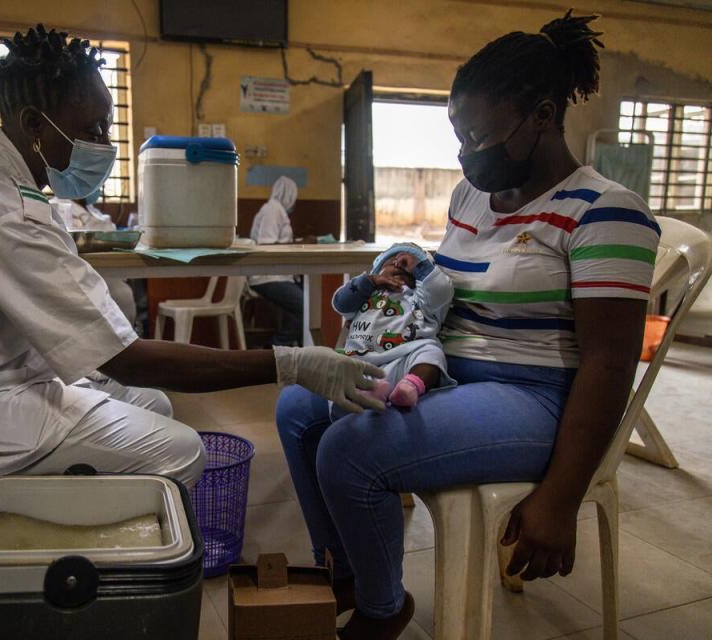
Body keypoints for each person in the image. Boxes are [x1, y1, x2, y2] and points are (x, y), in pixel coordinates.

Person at [0, 25, 384, 492]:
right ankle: (79, 578)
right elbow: (125, 357)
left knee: (151, 402)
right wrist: (291, 363)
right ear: (35, 123)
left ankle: (88, 534)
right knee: (179, 451)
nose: (104, 145)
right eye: (91, 130)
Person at [276, 11, 659, 639]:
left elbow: (610, 365)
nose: (465, 155)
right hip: (447, 366)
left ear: (540, 116)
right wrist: (405, 274)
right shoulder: (470, 197)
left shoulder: (606, 212)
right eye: (458, 137)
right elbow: (449, 284)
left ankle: (381, 607)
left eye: (477, 137)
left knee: (350, 451)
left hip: (534, 397)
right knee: (297, 406)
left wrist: (561, 500)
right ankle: (346, 569)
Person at [332, 242, 454, 412]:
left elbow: (440, 288)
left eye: (407, 266)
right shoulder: (366, 294)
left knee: (432, 353)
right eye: (391, 262)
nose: (399, 264)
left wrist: (419, 266)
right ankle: (368, 392)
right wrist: (369, 281)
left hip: (404, 358)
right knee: (334, 366)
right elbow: (340, 303)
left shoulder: (422, 299)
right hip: (359, 359)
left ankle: (410, 386)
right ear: (377, 271)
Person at [249, 176, 304, 346]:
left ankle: (299, 349)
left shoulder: (277, 209)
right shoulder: (272, 210)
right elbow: (267, 244)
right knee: (305, 308)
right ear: (289, 194)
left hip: (278, 275)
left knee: (311, 300)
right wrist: (296, 244)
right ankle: (276, 348)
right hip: (267, 277)